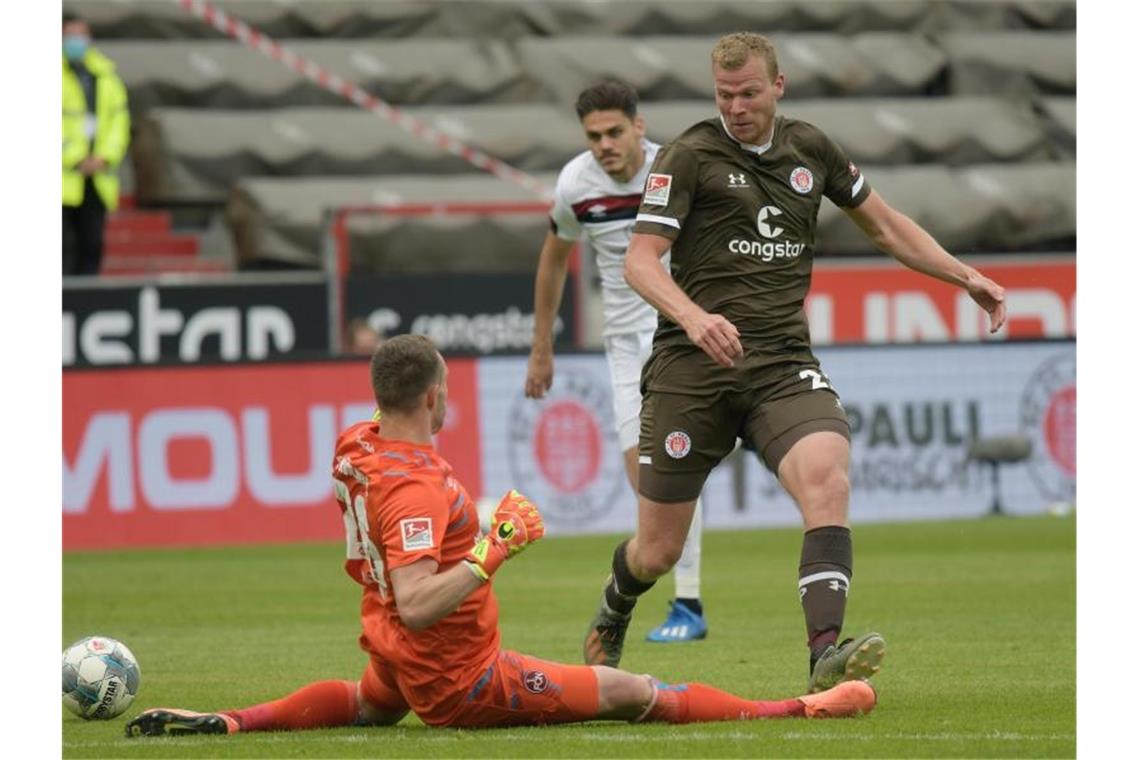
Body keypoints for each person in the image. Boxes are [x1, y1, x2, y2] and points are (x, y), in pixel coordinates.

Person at [125, 334, 876, 738]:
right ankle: (802, 708)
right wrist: (495, 547)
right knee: (634, 692)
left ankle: (231, 721)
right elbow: (420, 599)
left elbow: (400, 566)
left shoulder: (357, 445)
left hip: (391, 646)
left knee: (370, 705)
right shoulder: (415, 484)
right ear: (432, 396)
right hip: (459, 675)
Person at [582, 32, 1007, 693]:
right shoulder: (689, 155)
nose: (736, 107)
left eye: (749, 93)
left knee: (827, 481)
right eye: (725, 96)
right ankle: (616, 602)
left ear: (777, 86)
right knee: (658, 550)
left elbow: (887, 227)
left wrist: (965, 276)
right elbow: (640, 261)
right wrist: (694, 317)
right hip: (691, 367)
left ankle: (824, 660)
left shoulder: (812, 149)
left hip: (780, 362)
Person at [525, 79, 710, 643]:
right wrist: (542, 347)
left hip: (685, 335)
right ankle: (685, 603)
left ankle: (688, 604)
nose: (604, 144)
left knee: (673, 466)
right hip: (628, 350)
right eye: (593, 135)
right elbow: (553, 261)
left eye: (614, 131)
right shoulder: (575, 185)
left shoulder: (676, 168)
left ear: (639, 126)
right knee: (650, 482)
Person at [62, 10, 131, 276]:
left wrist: (103, 158)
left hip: (97, 179)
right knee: (62, 253)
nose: (76, 41)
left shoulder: (106, 75)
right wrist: (75, 158)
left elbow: (119, 122)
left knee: (91, 249)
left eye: (80, 35)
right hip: (64, 178)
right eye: (70, 35)